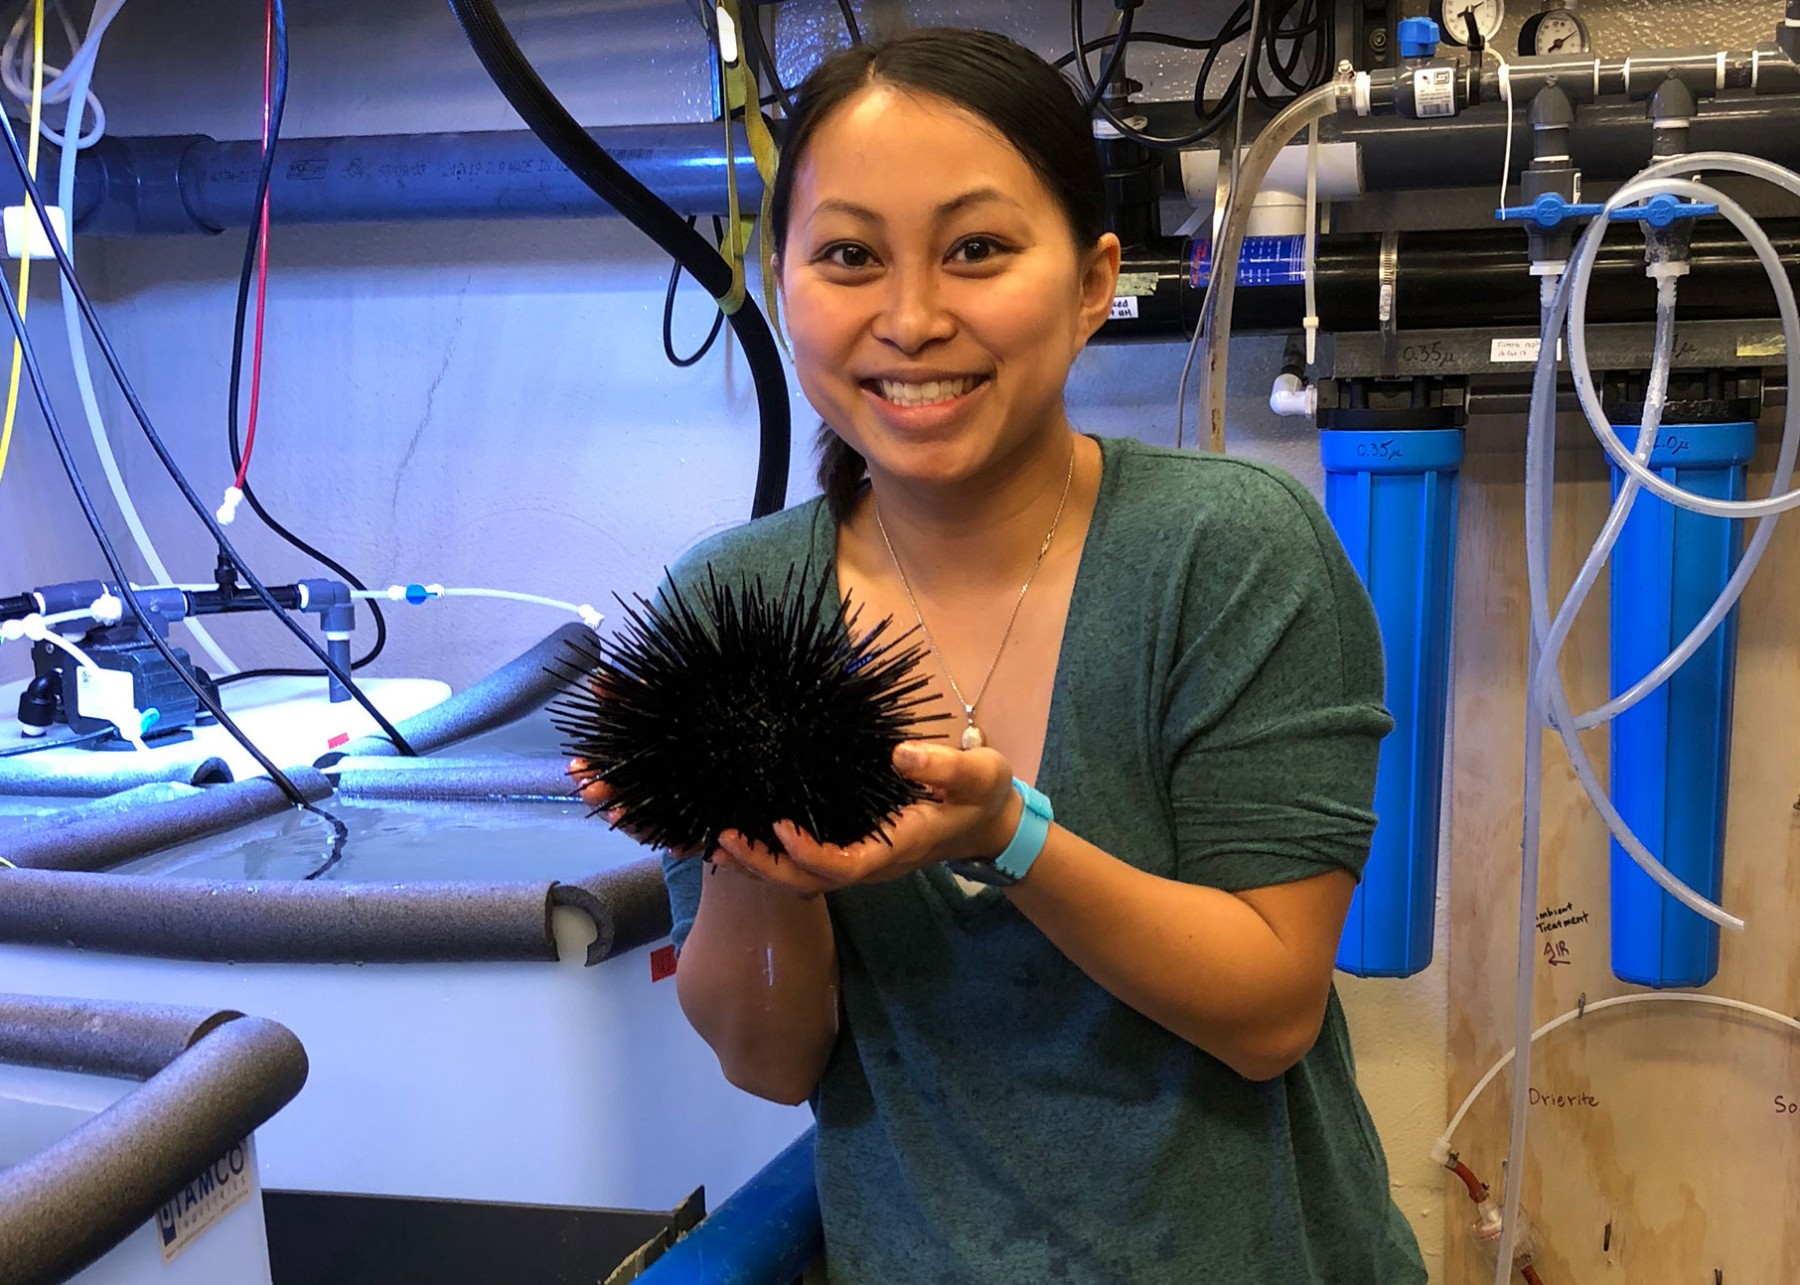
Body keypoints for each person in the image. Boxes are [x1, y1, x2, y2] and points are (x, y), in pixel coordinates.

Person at [577, 26, 1428, 1284]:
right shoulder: (733, 601)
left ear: (1092, 283)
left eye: (977, 249)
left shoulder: (1228, 552)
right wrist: (753, 855)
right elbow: (770, 1061)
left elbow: (1268, 1013)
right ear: (777, 279)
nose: (913, 320)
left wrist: (1006, 837)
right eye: (850, 256)